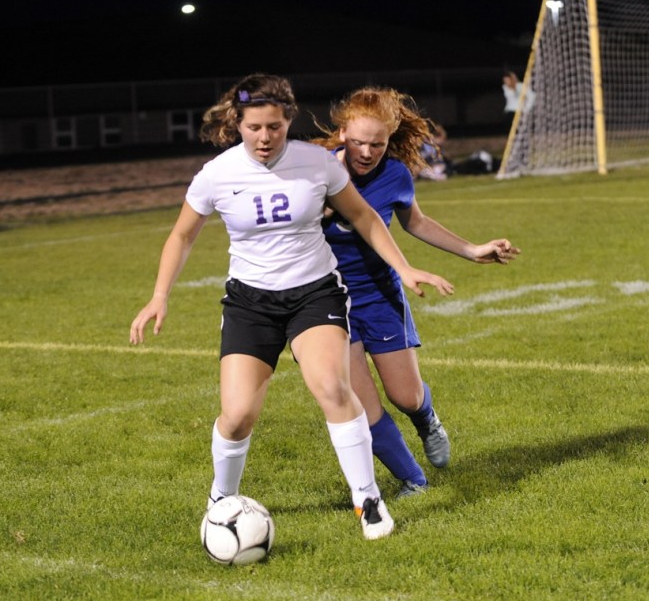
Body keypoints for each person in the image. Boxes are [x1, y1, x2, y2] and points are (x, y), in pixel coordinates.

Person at [128, 74, 452, 540]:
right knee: (237, 416)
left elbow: (362, 215)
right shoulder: (217, 173)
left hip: (314, 294)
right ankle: (221, 499)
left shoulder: (315, 162)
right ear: (237, 123)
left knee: (334, 389)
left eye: (275, 127)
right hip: (250, 303)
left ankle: (368, 501)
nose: (265, 137)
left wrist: (403, 268)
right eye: (254, 127)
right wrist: (159, 295)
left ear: (288, 121)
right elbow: (182, 235)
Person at [311, 86, 520, 497]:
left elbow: (416, 223)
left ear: (389, 138)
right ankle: (413, 478)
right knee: (360, 405)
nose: (367, 152)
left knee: (405, 396)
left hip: (378, 293)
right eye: (358, 142)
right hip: (325, 300)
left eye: (377, 144)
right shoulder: (314, 171)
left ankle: (426, 419)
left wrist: (471, 249)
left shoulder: (394, 175)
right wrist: (325, 202)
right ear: (342, 132)